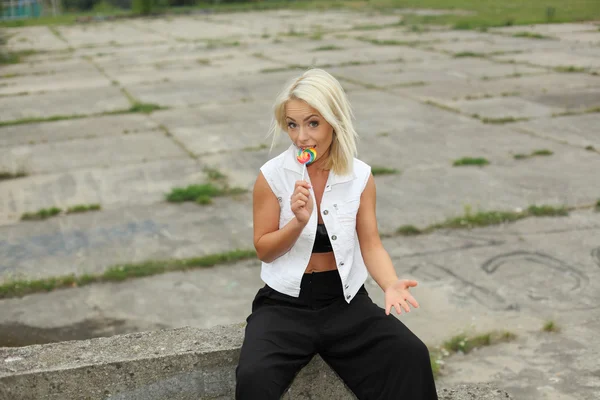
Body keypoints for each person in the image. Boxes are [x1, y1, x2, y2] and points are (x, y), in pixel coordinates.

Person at [236, 68, 438, 400]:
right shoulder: (272, 176)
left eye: (313, 123)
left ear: (334, 121)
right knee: (254, 377)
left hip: (344, 302)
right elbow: (264, 250)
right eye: (292, 124)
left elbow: (370, 243)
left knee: (411, 354)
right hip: (284, 305)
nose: (301, 136)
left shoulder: (360, 177)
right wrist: (297, 223)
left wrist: (389, 283)